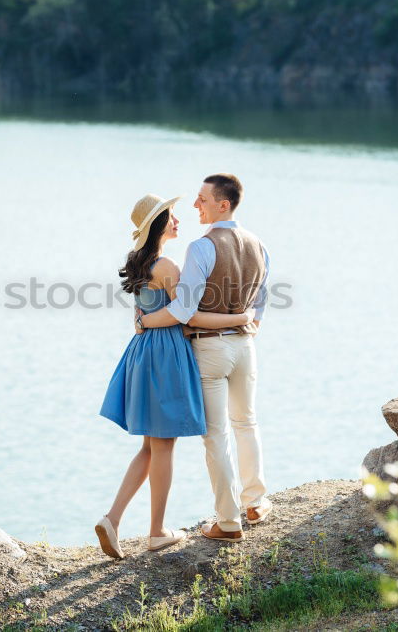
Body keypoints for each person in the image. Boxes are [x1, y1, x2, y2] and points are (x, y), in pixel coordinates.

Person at [95, 193, 256, 559]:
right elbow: (187, 315)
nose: (178, 221)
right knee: (164, 445)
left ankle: (113, 519)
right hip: (167, 353)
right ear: (158, 226)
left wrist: (142, 322)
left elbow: (141, 315)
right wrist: (238, 319)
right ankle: (156, 533)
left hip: (143, 353)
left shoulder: (138, 262)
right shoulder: (167, 267)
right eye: (171, 217)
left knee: (150, 447)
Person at [138, 174, 271, 543]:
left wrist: (145, 320)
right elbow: (260, 302)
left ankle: (229, 522)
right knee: (247, 422)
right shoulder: (258, 244)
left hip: (209, 348)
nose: (197, 205)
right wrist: (246, 323)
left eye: (202, 199)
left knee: (216, 436)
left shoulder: (201, 247)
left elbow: (185, 311)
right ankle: (256, 502)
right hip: (245, 347)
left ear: (222, 205)